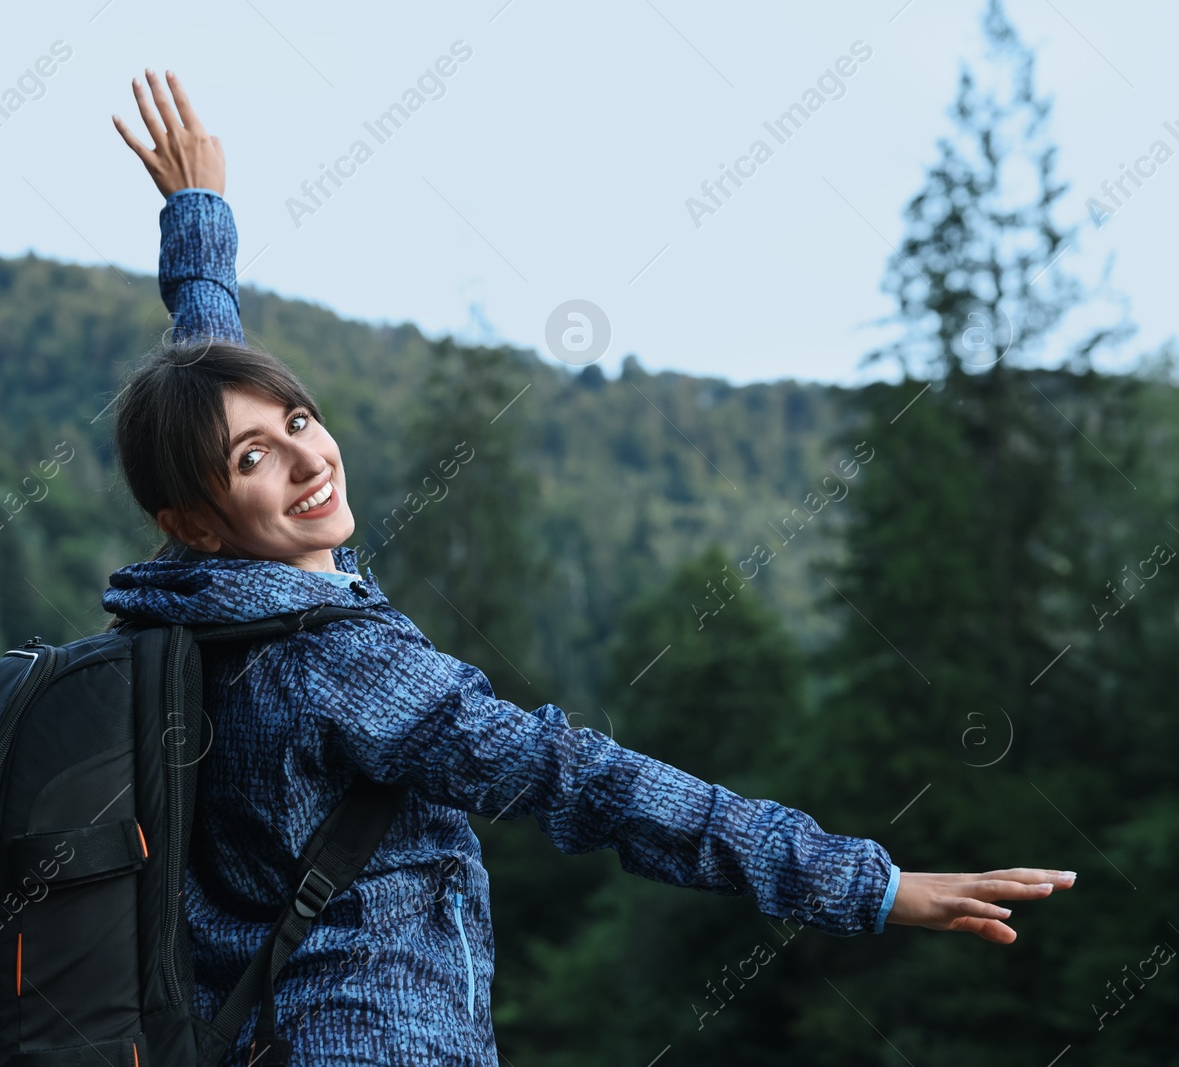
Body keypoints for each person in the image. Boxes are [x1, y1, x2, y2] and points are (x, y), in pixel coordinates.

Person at [103, 68, 1077, 1066]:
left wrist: (198, 222)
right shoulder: (334, 665)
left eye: (299, 418)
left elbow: (208, 368)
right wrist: (867, 883)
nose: (308, 455)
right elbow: (585, 779)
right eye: (254, 457)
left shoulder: (198, 607)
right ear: (198, 517)